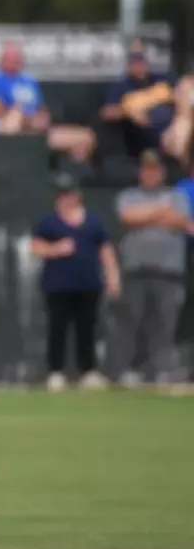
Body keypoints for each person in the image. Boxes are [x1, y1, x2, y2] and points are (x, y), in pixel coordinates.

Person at [112, 150, 191, 386]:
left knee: (165, 323)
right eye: (146, 169)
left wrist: (147, 214)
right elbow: (128, 216)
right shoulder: (129, 195)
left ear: (162, 172)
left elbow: (180, 221)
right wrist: (159, 211)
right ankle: (130, 370)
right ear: (140, 172)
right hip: (136, 269)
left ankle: (162, 371)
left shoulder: (176, 196)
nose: (150, 174)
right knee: (133, 321)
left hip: (169, 271)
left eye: (155, 169)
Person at [31, 174, 117, 391]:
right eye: (61, 194)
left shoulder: (93, 222)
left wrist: (112, 276)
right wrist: (56, 249)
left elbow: (105, 250)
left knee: (87, 329)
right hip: (58, 286)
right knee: (57, 329)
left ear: (78, 195)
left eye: (68, 193)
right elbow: (35, 247)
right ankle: (56, 372)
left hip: (88, 285)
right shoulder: (48, 221)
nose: (65, 198)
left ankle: (87, 371)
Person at [100, 42, 176, 162]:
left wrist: (161, 97)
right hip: (141, 136)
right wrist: (129, 110)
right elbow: (106, 113)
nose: (139, 65)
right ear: (128, 65)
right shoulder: (121, 85)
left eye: (142, 60)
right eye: (134, 61)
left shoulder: (161, 79)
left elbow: (183, 91)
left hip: (171, 128)